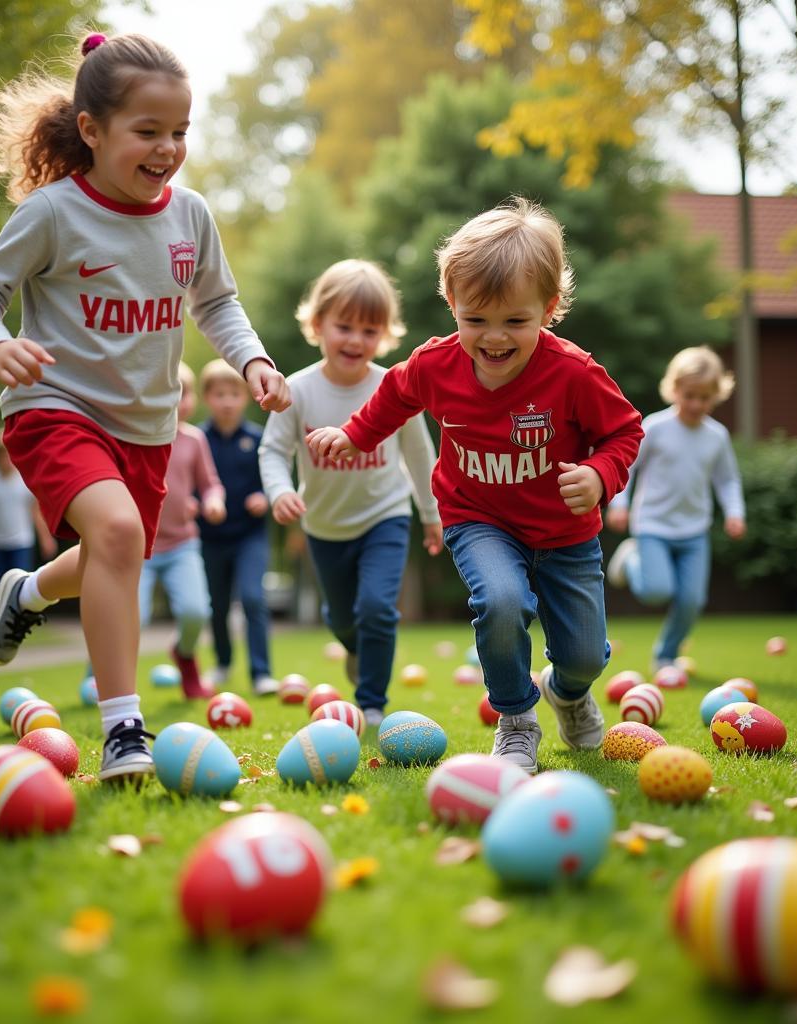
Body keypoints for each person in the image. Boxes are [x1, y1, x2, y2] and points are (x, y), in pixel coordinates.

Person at [0, 32, 290, 782]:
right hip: (55, 407)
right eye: (148, 132)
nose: (168, 148)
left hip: (145, 428)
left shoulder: (190, 216)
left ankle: (30, 590)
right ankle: (123, 729)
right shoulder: (54, 213)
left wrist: (255, 360)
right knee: (117, 532)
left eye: (180, 132)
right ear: (92, 130)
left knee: (119, 548)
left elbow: (219, 304)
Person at [307, 198, 643, 773]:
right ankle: (516, 720)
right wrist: (355, 435)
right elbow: (393, 399)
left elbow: (625, 432)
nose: (493, 338)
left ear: (549, 308)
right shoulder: (433, 364)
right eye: (475, 320)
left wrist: (599, 474)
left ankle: (567, 691)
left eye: (515, 321)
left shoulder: (573, 373)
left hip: (565, 532)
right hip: (477, 517)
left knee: (585, 655)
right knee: (501, 601)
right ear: (452, 303)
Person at [259, 260, 442, 728]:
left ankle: (373, 702)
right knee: (343, 619)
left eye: (370, 330)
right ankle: (357, 646)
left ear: (385, 334)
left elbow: (420, 456)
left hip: (386, 515)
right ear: (318, 324)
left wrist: (431, 514)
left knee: (378, 607)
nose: (356, 341)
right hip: (323, 525)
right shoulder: (297, 390)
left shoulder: (393, 388)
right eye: (344, 327)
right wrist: (280, 491)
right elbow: (273, 451)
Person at [605, 346, 746, 671]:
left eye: (705, 397)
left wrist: (735, 513)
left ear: (717, 395)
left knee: (692, 601)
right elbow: (628, 466)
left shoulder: (716, 436)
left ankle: (666, 655)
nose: (697, 404)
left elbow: (727, 480)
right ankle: (631, 560)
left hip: (694, 530)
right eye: (690, 395)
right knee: (656, 590)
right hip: (653, 525)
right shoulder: (655, 427)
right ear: (674, 389)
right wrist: (619, 503)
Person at [138, 362, 226, 699]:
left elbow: (210, 484)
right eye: (169, 391)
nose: (178, 399)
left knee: (195, 612)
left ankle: (185, 656)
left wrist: (212, 501)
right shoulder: (138, 434)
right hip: (138, 547)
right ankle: (99, 674)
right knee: (133, 618)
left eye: (184, 392)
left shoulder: (194, 439)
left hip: (182, 545)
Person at [198, 359, 280, 696]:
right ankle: (222, 663)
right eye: (220, 394)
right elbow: (189, 481)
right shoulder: (198, 440)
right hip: (210, 537)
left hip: (250, 535)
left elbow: (273, 478)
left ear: (246, 396)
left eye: (234, 393)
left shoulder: (258, 439)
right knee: (216, 604)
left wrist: (265, 496)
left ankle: (261, 672)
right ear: (207, 398)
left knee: (252, 597)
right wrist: (195, 502)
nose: (227, 401)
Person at [0, 433, 58, 590]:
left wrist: (46, 538)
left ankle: (21, 615)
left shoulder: (25, 478)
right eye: (4, 455)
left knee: (21, 584)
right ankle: (3, 615)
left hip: (22, 542)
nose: (8, 460)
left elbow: (35, 511)